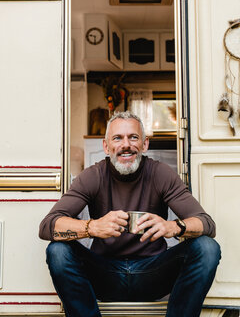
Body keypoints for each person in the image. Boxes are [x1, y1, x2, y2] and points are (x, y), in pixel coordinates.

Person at [39, 111, 221, 317]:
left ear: (144, 144)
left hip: (153, 274)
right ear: (106, 146)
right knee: (58, 251)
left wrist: (173, 227)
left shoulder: (160, 173)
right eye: (118, 138)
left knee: (207, 247)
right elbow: (48, 225)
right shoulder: (92, 176)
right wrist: (92, 227)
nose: (126, 145)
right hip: (104, 274)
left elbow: (207, 224)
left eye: (133, 137)